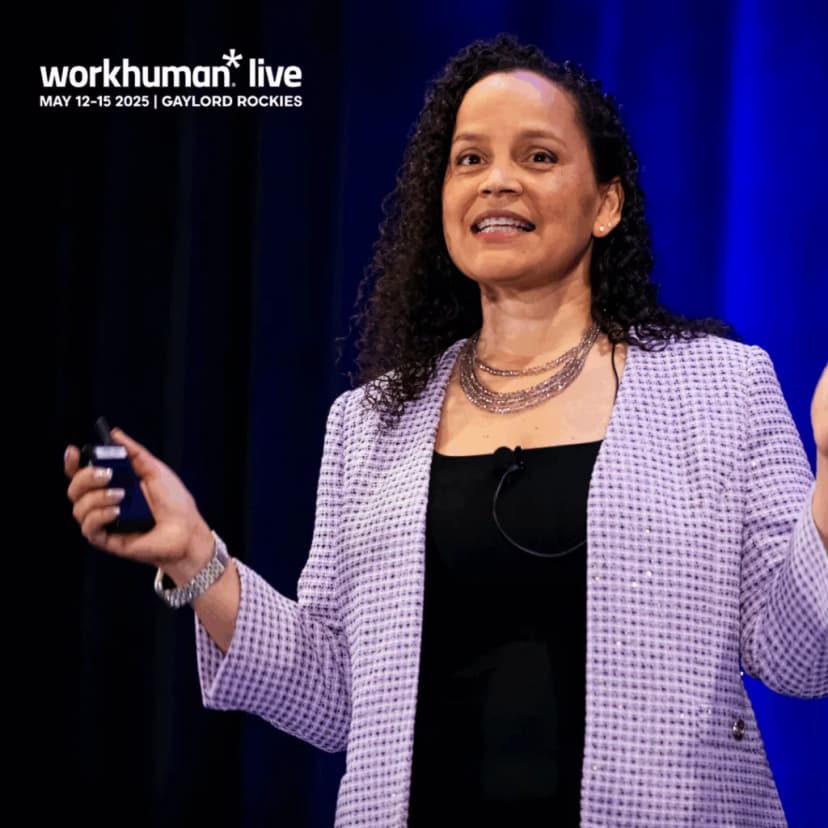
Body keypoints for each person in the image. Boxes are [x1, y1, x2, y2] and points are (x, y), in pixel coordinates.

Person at [64, 33, 827, 827]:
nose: (497, 181)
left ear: (606, 204)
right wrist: (197, 558)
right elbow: (333, 697)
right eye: (469, 160)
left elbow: (798, 654)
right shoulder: (368, 423)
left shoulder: (718, 386)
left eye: (537, 157)